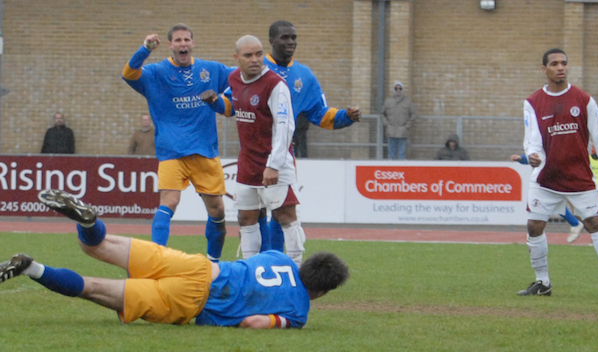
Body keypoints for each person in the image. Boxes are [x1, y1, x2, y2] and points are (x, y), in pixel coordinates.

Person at [0, 189, 348, 328]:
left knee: (98, 245)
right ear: (324, 291)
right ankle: (31, 266)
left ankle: (89, 223)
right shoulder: (299, 312)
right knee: (93, 287)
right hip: (192, 301)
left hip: (197, 265)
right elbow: (252, 324)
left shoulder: (279, 258)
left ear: (305, 265)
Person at [517, 48, 598, 299]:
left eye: (564, 63)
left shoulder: (583, 99)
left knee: (594, 223)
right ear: (544, 69)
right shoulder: (532, 102)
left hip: (579, 177)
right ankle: (542, 282)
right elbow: (532, 139)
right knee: (534, 226)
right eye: (554, 63)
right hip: (546, 178)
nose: (560, 67)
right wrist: (532, 154)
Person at [121, 24, 232, 262]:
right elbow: (128, 74)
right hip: (172, 153)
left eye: (187, 40)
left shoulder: (211, 70)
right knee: (168, 202)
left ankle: (213, 264)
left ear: (193, 44)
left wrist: (227, 99)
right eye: (178, 40)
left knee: (218, 211)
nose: (183, 44)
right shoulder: (156, 72)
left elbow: (240, 79)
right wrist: (144, 49)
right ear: (170, 45)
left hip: (204, 152)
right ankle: (155, 259)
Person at [201, 35, 306, 266]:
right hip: (248, 163)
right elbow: (229, 107)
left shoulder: (275, 84)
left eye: (259, 53)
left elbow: (285, 126)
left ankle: (296, 270)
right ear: (237, 58)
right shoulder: (233, 79)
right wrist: (215, 101)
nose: (255, 59)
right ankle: (251, 269)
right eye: (248, 55)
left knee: (285, 216)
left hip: (274, 163)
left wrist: (274, 164)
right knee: (245, 217)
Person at [260, 20, 362, 252]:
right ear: (272, 41)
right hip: (253, 149)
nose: (291, 42)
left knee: (280, 211)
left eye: (294, 37)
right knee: (252, 213)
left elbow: (320, 114)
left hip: (283, 152)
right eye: (285, 37)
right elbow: (233, 101)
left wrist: (346, 116)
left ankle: (274, 261)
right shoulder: (258, 66)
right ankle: (254, 264)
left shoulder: (303, 76)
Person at [510, 154, 581, 230]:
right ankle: (576, 224)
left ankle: (577, 224)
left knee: (557, 204)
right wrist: (520, 158)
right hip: (545, 184)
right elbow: (534, 158)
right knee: (555, 205)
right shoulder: (546, 151)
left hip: (557, 183)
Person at [382, 81, 416, 160]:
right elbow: (382, 114)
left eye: (400, 88)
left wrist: (407, 125)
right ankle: (391, 169)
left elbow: (414, 115)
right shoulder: (388, 101)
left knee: (402, 153)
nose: (398, 90)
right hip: (391, 131)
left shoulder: (408, 102)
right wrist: (386, 124)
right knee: (391, 153)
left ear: (402, 90)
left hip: (402, 132)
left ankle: (401, 170)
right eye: (396, 88)